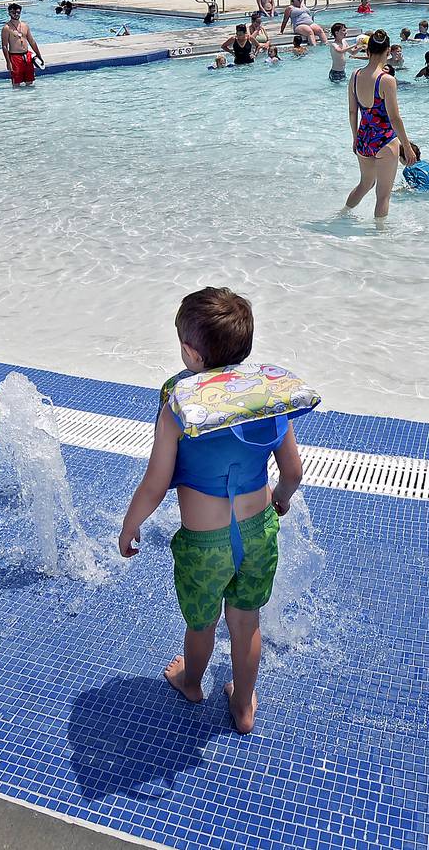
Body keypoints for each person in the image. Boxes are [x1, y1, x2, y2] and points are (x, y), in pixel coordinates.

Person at [118, 287, 304, 735]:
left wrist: (131, 523)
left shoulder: (176, 408)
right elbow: (293, 471)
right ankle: (243, 705)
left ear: (188, 351)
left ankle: (191, 682)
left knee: (202, 623)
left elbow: (156, 483)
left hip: (205, 546)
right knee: (246, 621)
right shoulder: (265, 401)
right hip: (258, 531)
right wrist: (281, 499)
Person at [346, 30, 418, 220]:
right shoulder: (386, 80)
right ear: (387, 51)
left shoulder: (355, 75)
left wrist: (355, 138)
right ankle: (380, 239)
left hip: (363, 139)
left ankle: (343, 215)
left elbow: (353, 111)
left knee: (365, 184)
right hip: (385, 141)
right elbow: (394, 119)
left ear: (368, 51)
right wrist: (408, 147)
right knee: (383, 194)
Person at [1, 3, 44, 88]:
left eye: (18, 12)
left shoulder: (25, 26)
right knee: (16, 83)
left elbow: (32, 42)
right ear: (9, 13)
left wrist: (39, 56)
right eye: (13, 12)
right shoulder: (6, 28)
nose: (16, 14)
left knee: (30, 82)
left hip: (27, 56)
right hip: (15, 57)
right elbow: (4, 46)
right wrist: (8, 62)